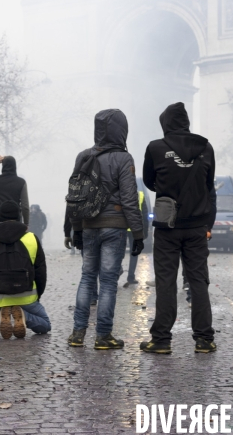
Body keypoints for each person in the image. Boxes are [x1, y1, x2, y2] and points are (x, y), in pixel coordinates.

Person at [140, 102, 217, 355]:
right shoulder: (206, 148)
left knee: (166, 282)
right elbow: (209, 187)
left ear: (166, 124)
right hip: (197, 227)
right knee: (198, 282)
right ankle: (204, 339)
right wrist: (208, 223)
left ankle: (161, 339)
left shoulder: (155, 148)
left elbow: (150, 181)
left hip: (167, 226)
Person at [67, 108, 144, 350]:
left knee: (87, 277)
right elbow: (130, 200)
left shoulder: (83, 156)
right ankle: (103, 336)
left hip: (89, 226)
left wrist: (76, 229)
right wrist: (139, 233)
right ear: (122, 131)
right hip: (115, 226)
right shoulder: (124, 159)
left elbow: (75, 195)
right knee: (109, 282)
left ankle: (77, 334)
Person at [0, 201, 51, 338]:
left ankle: (0, 317)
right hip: (27, 297)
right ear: (19, 216)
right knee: (45, 325)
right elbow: (41, 271)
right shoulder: (31, 238)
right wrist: (37, 295)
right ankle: (24, 316)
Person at [122, 190, 149, 287]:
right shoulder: (140, 195)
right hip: (135, 229)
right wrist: (144, 232)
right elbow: (145, 215)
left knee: (118, 251)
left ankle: (118, 270)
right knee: (134, 253)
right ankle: (131, 277)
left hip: (122, 227)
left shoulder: (120, 192)